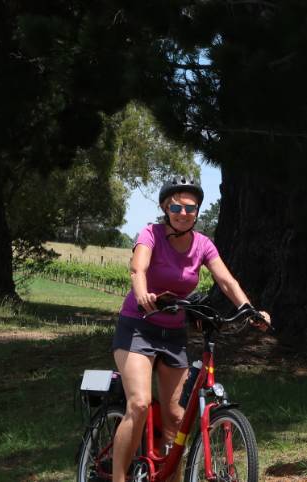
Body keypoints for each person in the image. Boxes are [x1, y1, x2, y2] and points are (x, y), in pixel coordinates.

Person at [110, 177, 270, 482]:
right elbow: (137, 268)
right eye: (176, 206)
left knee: (176, 419)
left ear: (197, 211)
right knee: (140, 403)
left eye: (190, 207)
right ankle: (119, 477)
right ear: (165, 208)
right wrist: (142, 294)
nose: (183, 212)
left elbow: (226, 281)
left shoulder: (203, 244)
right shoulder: (151, 234)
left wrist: (248, 309)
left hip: (172, 335)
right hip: (137, 329)